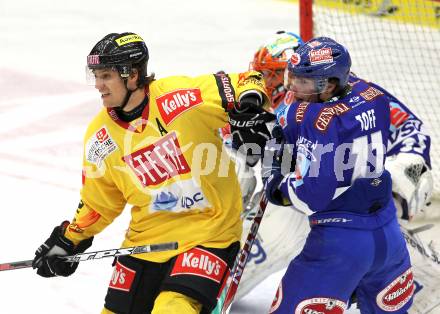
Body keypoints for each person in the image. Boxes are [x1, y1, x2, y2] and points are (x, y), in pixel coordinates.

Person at [31, 32, 271, 314]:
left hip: (209, 233)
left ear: (132, 75)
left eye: (106, 76)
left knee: (173, 309)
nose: (98, 85)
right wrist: (68, 240)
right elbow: (99, 203)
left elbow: (246, 81)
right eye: (95, 76)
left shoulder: (179, 98)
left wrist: (249, 106)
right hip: (144, 242)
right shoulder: (100, 138)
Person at [226, 31, 433, 303]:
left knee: (423, 287)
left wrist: (404, 172)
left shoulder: (358, 96)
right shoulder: (273, 105)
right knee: (230, 275)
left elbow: (411, 129)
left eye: (274, 76)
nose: (272, 84)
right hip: (296, 206)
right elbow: (234, 147)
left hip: (355, 211)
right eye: (269, 75)